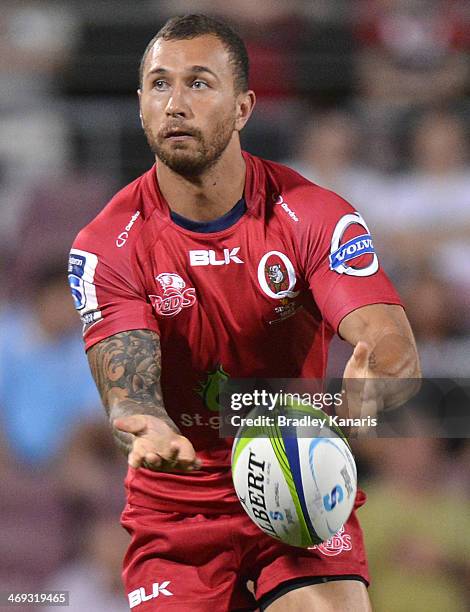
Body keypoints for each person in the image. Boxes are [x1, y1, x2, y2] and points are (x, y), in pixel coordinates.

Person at [68, 14, 420, 611]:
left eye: (199, 83)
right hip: (178, 510)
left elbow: (388, 345)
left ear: (244, 107)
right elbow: (129, 390)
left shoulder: (313, 215)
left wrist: (375, 387)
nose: (175, 103)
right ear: (139, 104)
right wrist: (147, 426)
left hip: (296, 473)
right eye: (160, 85)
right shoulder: (107, 244)